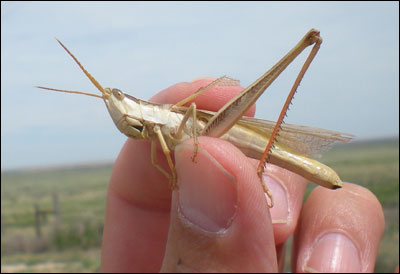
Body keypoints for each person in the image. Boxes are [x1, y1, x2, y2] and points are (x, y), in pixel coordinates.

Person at [100, 78, 386, 272]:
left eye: (120, 98)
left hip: (215, 128)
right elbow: (159, 154)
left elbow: (194, 109)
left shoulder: (166, 116)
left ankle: (260, 173)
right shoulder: (154, 143)